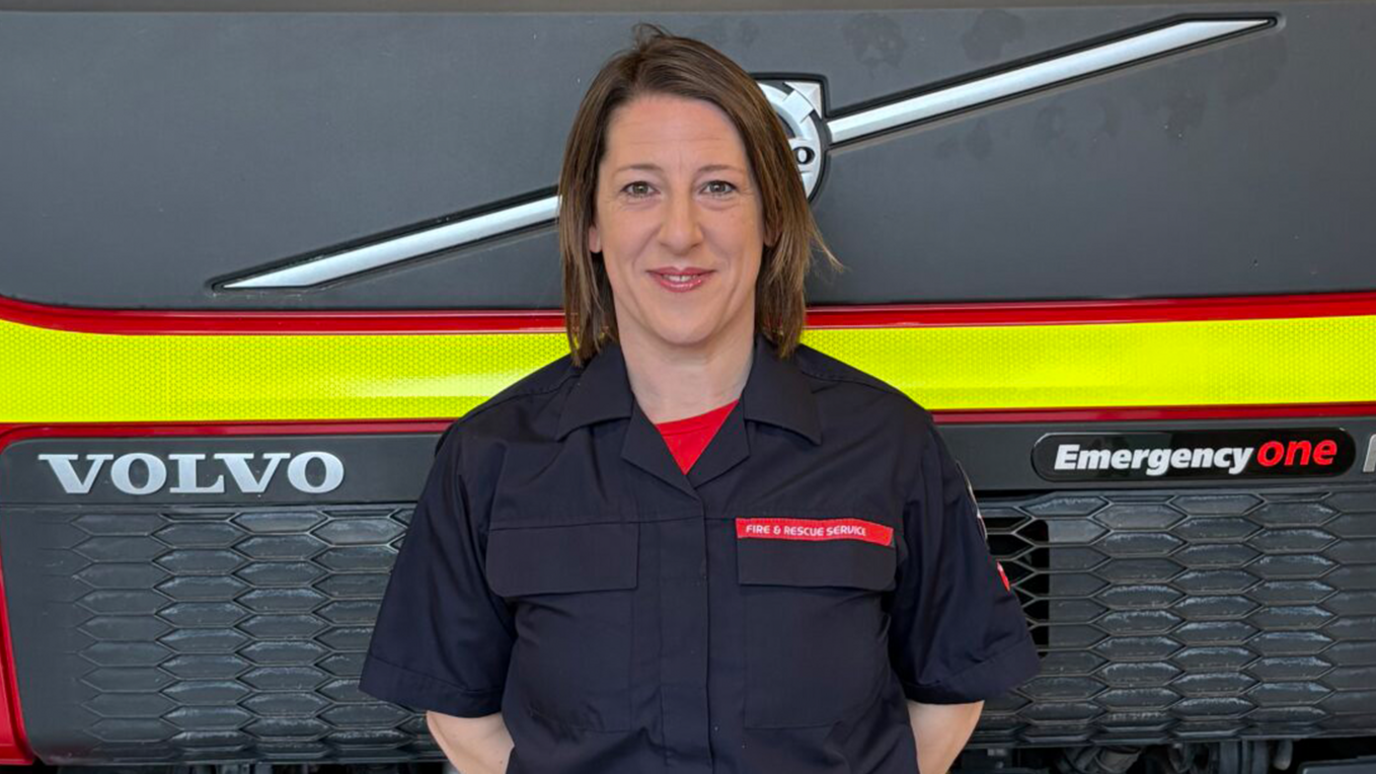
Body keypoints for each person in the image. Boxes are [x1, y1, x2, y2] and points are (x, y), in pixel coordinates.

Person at [359, 25, 1039, 774]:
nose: (680, 232)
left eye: (718, 187)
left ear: (772, 217)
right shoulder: (490, 458)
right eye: (639, 189)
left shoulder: (887, 442)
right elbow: (459, 710)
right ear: (590, 222)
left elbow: (950, 691)